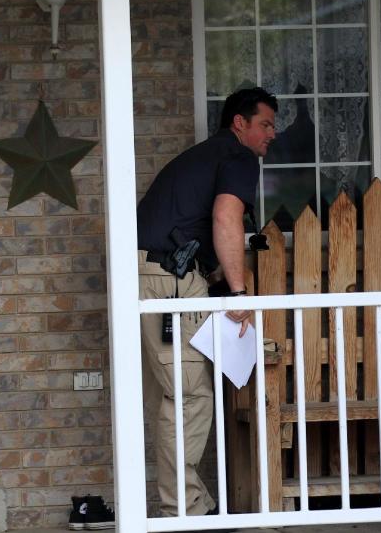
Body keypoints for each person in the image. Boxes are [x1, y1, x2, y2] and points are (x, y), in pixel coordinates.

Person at [136, 87, 277, 516]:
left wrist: (212, 273)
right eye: (266, 124)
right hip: (167, 280)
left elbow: (194, 223)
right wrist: (237, 293)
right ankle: (185, 511)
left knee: (176, 394)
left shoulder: (203, 156)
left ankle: (192, 505)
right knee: (189, 396)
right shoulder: (237, 157)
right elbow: (226, 217)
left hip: (158, 273)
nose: (273, 134)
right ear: (240, 123)